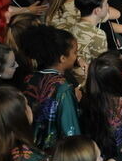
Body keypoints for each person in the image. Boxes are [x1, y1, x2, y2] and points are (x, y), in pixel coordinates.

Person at [20, 25, 81, 153]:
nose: (77, 56)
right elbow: (70, 132)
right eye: (75, 52)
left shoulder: (28, 78)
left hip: (26, 150)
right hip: (52, 156)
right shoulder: (63, 87)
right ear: (62, 58)